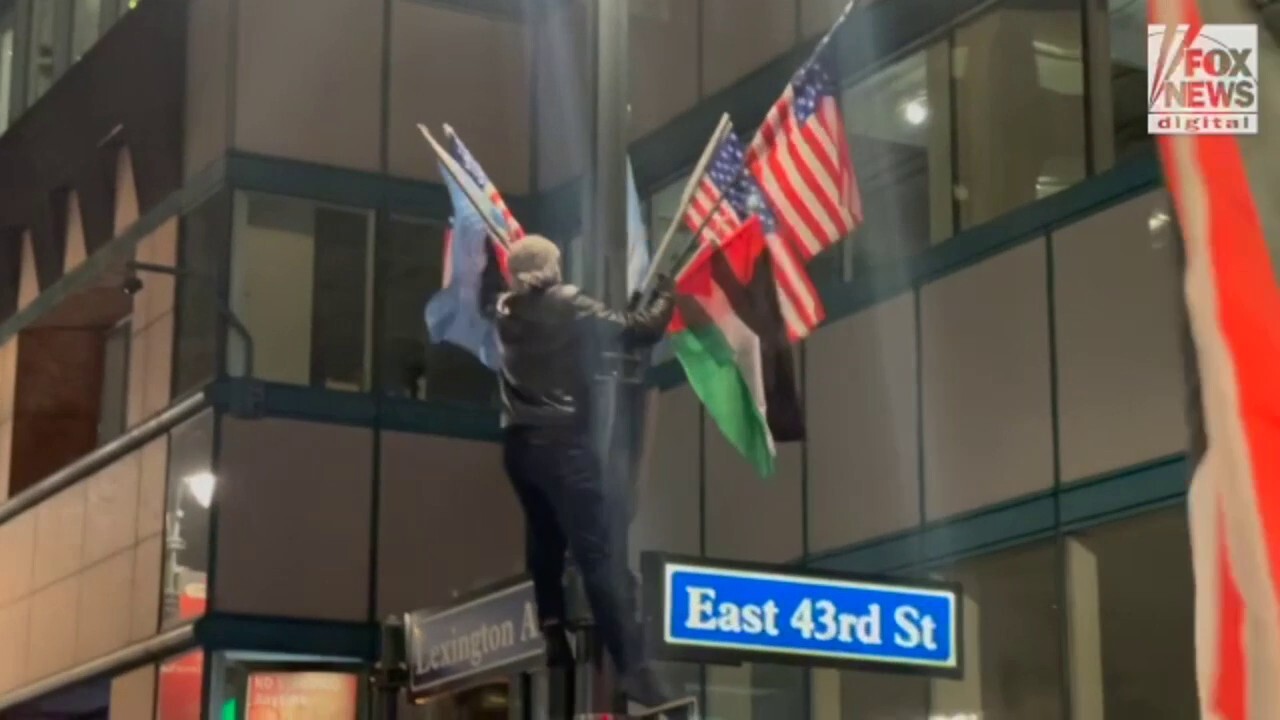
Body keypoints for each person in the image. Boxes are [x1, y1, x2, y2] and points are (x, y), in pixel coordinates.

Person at [483, 234, 677, 709]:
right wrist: (667, 293)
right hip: (565, 448)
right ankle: (633, 668)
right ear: (553, 267)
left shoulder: (503, 310)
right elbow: (641, 329)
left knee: (546, 543)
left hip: (519, 449)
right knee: (599, 560)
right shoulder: (570, 304)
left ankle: (552, 629)